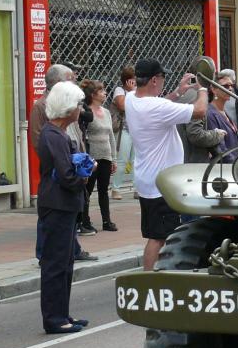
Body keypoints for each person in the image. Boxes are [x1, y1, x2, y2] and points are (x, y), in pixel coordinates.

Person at [125, 59, 207, 271]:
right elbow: (199, 111)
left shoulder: (131, 99)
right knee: (159, 238)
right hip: (162, 184)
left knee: (158, 235)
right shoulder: (156, 107)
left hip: (148, 180)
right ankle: (150, 281)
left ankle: (153, 278)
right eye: (162, 78)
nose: (163, 82)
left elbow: (163, 105)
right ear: (154, 80)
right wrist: (204, 88)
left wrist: (178, 92)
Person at [36, 80, 94, 334]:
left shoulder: (59, 133)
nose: (81, 109)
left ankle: (63, 314)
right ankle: (54, 318)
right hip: (57, 204)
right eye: (78, 104)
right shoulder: (52, 135)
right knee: (55, 264)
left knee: (65, 262)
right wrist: (85, 173)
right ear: (68, 107)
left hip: (65, 204)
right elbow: (67, 175)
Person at [79, 79, 117, 233]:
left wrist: (113, 157)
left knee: (103, 190)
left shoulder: (106, 112)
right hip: (92, 156)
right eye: (102, 91)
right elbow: (83, 135)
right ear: (93, 94)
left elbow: (111, 136)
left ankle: (106, 221)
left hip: (105, 154)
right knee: (87, 189)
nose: (105, 93)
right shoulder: (86, 112)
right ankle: (85, 221)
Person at [109, 65, 136, 198]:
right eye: (134, 79)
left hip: (136, 130)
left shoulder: (138, 92)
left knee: (137, 161)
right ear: (127, 81)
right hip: (123, 130)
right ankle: (116, 189)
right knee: (122, 160)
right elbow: (123, 105)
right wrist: (131, 92)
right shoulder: (119, 90)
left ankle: (138, 188)